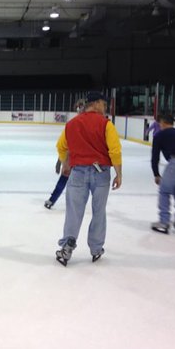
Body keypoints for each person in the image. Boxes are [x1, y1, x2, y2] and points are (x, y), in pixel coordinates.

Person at [54, 91, 122, 266]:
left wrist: (65, 163)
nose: (105, 108)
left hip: (78, 172)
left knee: (74, 211)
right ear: (97, 103)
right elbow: (114, 150)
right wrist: (119, 173)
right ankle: (96, 248)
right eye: (104, 105)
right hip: (101, 173)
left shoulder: (72, 124)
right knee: (99, 211)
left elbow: (61, 146)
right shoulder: (106, 124)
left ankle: (68, 245)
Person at [45, 99, 85, 209]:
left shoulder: (78, 124)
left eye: (81, 107)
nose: (80, 109)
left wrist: (64, 161)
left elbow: (67, 144)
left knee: (73, 182)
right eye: (79, 107)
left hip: (77, 159)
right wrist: (60, 161)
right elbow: (64, 144)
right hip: (71, 158)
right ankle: (53, 200)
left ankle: (53, 200)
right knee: (66, 179)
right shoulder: (74, 123)